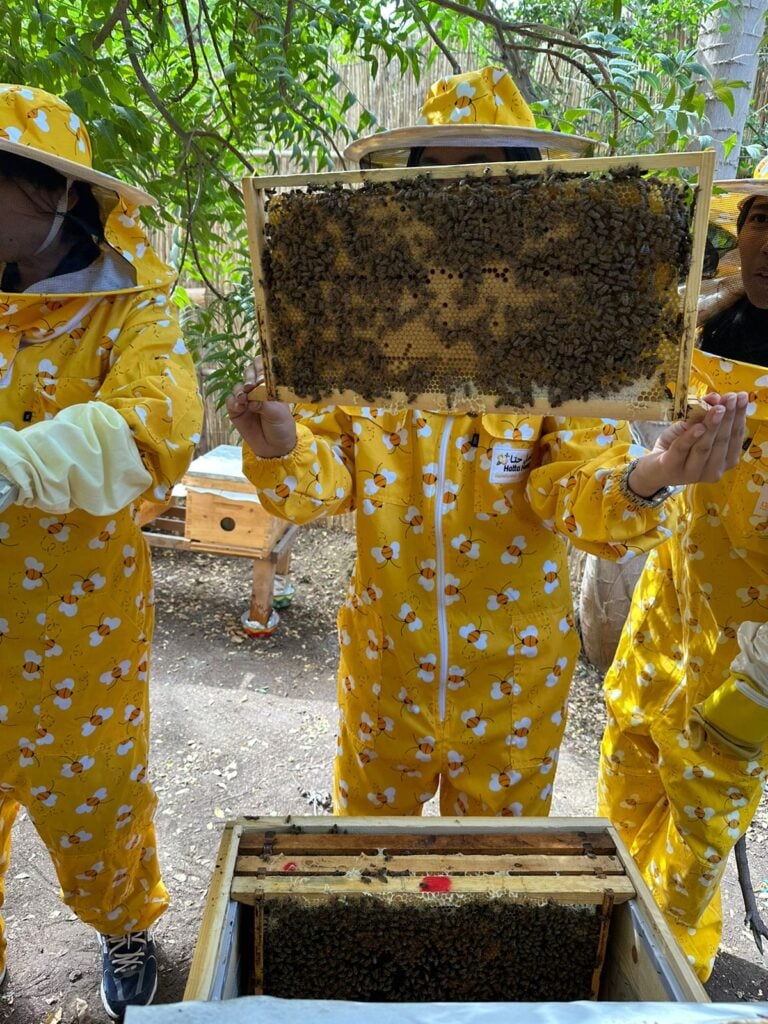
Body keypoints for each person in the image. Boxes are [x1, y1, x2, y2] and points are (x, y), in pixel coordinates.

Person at [228, 66, 746, 821]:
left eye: (488, 181)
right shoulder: (366, 334)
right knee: (374, 863)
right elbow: (326, 483)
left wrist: (651, 474)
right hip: (386, 672)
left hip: (515, 682)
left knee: (494, 881)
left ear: (533, 197)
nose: (462, 204)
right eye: (440, 182)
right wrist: (279, 443)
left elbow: (575, 490)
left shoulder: (564, 336)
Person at [0, 85, 202, 1017]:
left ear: (61, 197)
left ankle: (125, 927)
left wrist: (12, 462)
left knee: (96, 806)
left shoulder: (134, 316)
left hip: (77, 637)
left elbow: (150, 434)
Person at [597, 168, 768, 981]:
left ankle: (658, 985)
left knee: (695, 841)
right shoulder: (703, 327)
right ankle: (601, 956)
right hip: (668, 609)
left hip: (751, 657)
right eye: (762, 218)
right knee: (624, 782)